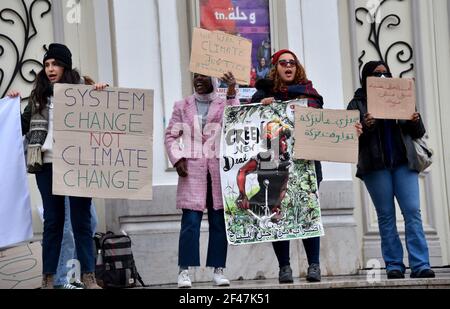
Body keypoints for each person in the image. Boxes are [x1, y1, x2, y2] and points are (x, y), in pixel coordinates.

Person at [7, 43, 107, 289]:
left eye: (56, 64)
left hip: (77, 164)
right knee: (53, 222)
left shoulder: (83, 91)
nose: (50, 69)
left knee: (82, 221)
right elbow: (19, 127)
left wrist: (103, 95)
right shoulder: (38, 96)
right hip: (47, 165)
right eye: (47, 64)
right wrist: (11, 106)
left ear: (66, 66)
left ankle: (89, 276)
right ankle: (48, 278)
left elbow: (104, 120)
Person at [347, 61, 435, 279]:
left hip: (404, 164)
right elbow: (350, 138)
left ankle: (421, 264)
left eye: (386, 73)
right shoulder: (356, 104)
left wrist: (414, 120)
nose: (383, 77)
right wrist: (366, 125)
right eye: (377, 74)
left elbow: (418, 131)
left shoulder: (400, 94)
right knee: (386, 216)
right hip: (375, 167)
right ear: (367, 78)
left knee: (413, 213)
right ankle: (394, 264)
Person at [249, 49, 324, 283]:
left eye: (292, 62)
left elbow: (322, 120)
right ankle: (284, 267)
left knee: (306, 212)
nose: (288, 66)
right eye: (283, 63)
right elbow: (249, 118)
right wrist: (262, 105)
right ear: (276, 67)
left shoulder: (309, 93)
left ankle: (314, 265)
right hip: (273, 164)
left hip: (305, 164)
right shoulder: (263, 93)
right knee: (277, 214)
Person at [164, 72, 239, 288]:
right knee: (190, 223)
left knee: (218, 222)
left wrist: (232, 91)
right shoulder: (182, 105)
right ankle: (184, 271)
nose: (198, 79)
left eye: (203, 76)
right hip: (192, 171)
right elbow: (170, 135)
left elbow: (235, 120)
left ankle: (218, 270)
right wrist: (177, 159)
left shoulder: (223, 103)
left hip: (217, 170)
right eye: (195, 76)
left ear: (213, 80)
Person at [53, 199, 98, 289]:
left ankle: (71, 276)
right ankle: (60, 280)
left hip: (81, 188)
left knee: (92, 223)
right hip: (66, 188)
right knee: (68, 230)